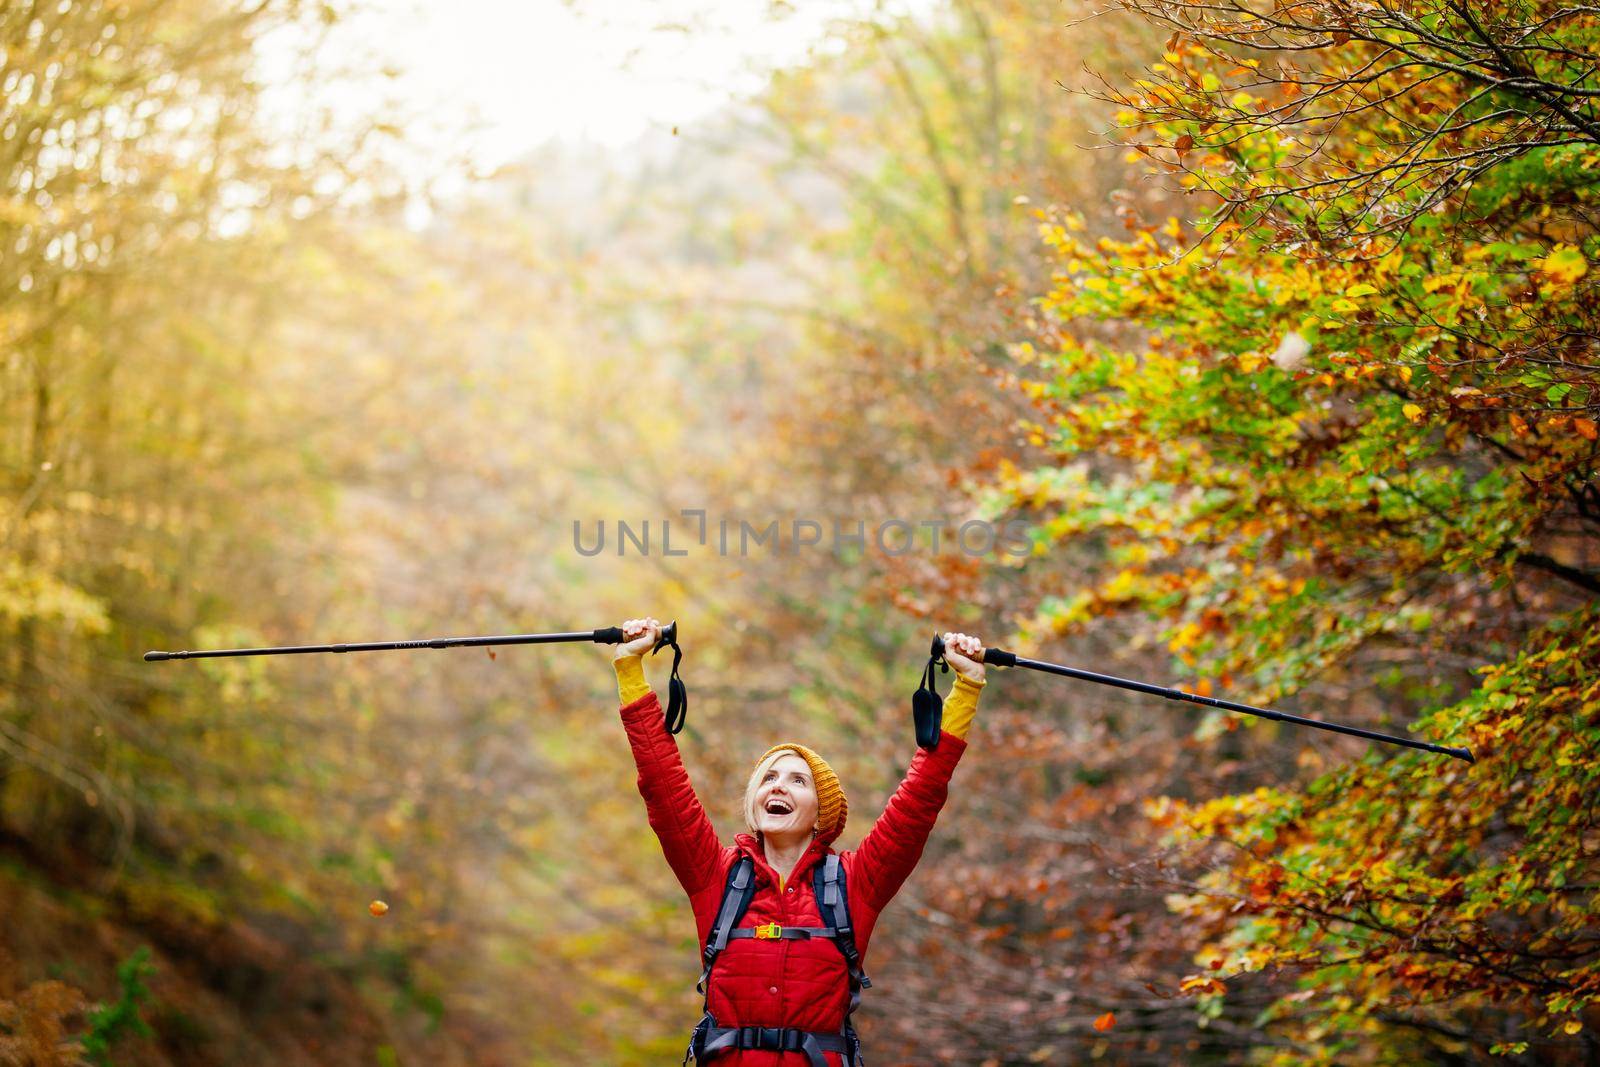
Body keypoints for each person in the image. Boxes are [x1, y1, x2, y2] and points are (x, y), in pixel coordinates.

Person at [610, 616, 985, 1066]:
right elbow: (662, 783)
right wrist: (630, 670)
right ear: (754, 803)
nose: (778, 787)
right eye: (768, 778)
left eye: (797, 781)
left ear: (820, 812)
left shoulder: (855, 883)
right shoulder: (716, 875)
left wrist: (966, 686)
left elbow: (919, 800)